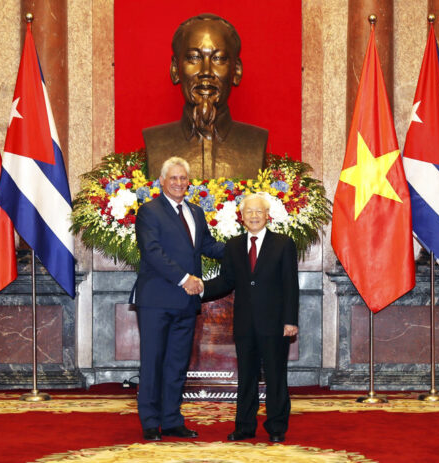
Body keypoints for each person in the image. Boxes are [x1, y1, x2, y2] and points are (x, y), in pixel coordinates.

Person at [132, 156, 225, 441]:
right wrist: (186, 279)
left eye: (183, 178)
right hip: (156, 301)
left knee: (177, 363)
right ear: (161, 181)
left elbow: (206, 245)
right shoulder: (149, 211)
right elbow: (153, 252)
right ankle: (150, 421)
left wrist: (242, 248)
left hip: (185, 304)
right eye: (173, 178)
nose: (179, 183)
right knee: (153, 362)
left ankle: (171, 419)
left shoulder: (196, 212)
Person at [202, 193, 299, 443]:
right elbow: (227, 281)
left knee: (276, 376)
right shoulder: (233, 245)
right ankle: (244, 427)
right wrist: (200, 289)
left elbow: (290, 285)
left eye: (259, 212)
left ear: (267, 215)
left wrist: (291, 320)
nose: (254, 216)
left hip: (276, 323)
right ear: (241, 217)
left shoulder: (283, 243)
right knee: (246, 377)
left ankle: (277, 427)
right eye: (249, 212)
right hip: (245, 324)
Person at [144, 13, 267, 180]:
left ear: (236, 70)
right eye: (194, 57)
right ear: (175, 69)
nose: (206, 72)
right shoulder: (155, 143)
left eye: (219, 58)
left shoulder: (255, 142)